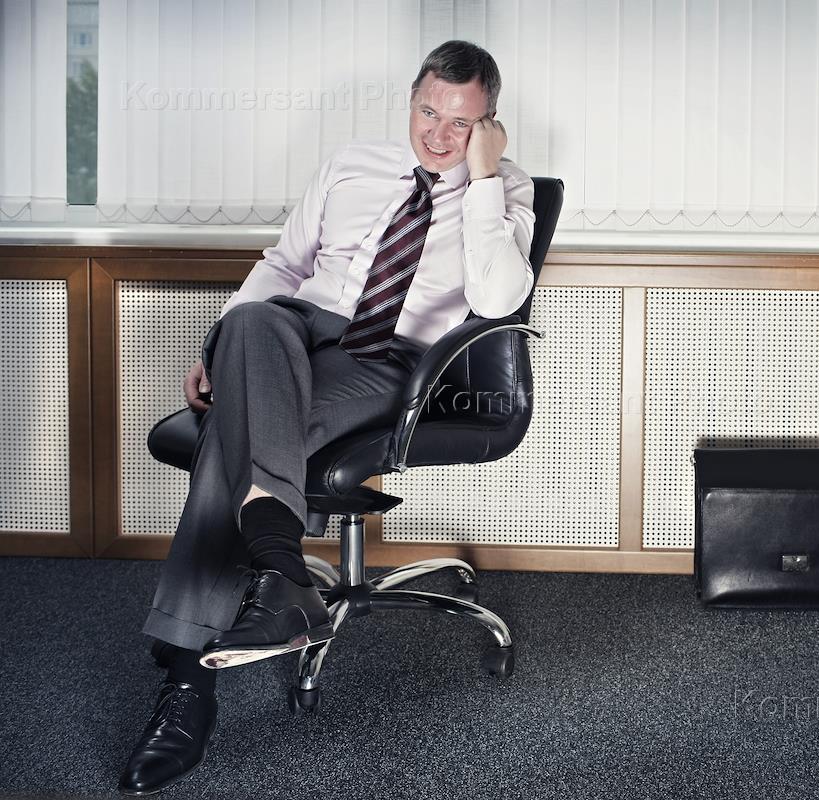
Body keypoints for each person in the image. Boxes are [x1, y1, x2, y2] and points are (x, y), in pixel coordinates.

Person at [118, 40, 534, 796]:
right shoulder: (351, 164)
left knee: (236, 431)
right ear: (411, 101)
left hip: (384, 357)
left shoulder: (505, 189)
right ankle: (280, 575)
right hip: (289, 332)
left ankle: (189, 683)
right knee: (251, 322)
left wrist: (481, 179)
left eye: (461, 123)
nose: (438, 134)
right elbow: (283, 264)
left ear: (488, 126)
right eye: (428, 112)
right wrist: (220, 345)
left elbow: (500, 298)